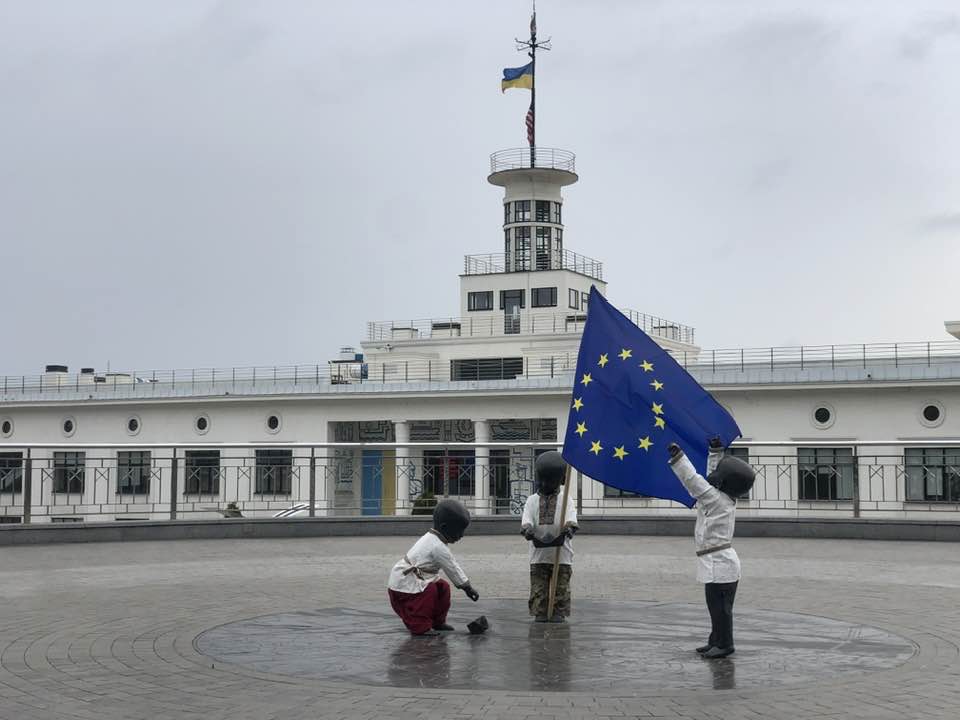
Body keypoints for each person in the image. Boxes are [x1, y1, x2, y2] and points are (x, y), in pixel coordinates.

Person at [667, 437, 755, 659]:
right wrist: (715, 451)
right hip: (716, 562)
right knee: (715, 607)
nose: (715, 477)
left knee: (721, 609)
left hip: (721, 564)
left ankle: (725, 644)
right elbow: (712, 478)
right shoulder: (723, 497)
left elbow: (694, 481)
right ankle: (715, 640)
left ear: (725, 483)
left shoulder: (715, 500)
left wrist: (679, 458)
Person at [387, 498, 480, 636]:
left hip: (414, 579)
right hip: (404, 584)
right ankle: (420, 627)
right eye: (459, 531)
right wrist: (467, 587)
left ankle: (438, 621)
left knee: (443, 587)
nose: (461, 536)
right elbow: (453, 568)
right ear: (444, 527)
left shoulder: (433, 538)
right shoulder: (437, 546)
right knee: (429, 591)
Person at [521, 451, 579, 623]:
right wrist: (528, 531)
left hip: (561, 555)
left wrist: (568, 530)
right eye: (542, 480)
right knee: (539, 588)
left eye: (550, 480)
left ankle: (558, 612)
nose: (545, 484)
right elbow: (527, 520)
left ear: (562, 480)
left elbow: (571, 519)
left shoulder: (566, 499)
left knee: (560, 588)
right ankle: (540, 611)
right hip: (538, 556)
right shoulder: (531, 500)